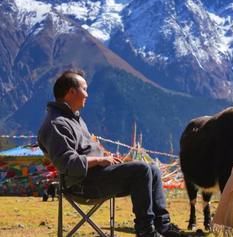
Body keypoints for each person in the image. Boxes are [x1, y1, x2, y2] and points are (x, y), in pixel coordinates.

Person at [38, 69, 185, 237]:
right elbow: (67, 163)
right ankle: (146, 231)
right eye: (84, 89)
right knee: (141, 170)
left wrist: (110, 159)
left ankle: (163, 227)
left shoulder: (73, 119)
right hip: (82, 184)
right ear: (71, 92)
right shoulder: (56, 124)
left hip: (97, 177)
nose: (87, 94)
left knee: (153, 169)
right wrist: (100, 160)